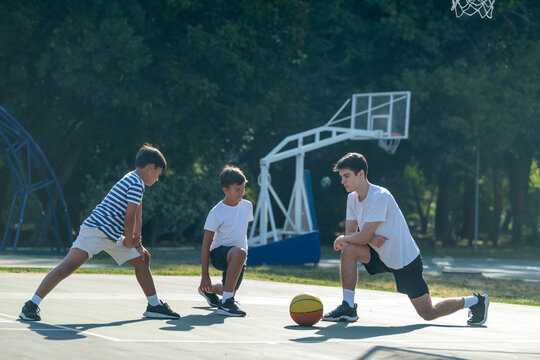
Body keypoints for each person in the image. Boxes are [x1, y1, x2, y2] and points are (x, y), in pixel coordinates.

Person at [322, 152, 489, 326]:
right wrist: (367, 238)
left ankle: (477, 302)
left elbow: (356, 236)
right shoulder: (352, 198)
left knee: (428, 313)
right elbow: (353, 234)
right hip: (378, 253)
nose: (343, 181)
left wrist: (352, 237)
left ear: (361, 174)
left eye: (347, 176)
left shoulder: (379, 197)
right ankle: (348, 306)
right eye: (341, 177)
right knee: (348, 248)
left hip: (404, 260)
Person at [19, 144, 180, 321]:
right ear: (151, 167)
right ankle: (30, 306)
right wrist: (128, 242)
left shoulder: (134, 180)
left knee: (143, 260)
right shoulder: (135, 183)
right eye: (158, 173)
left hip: (112, 235)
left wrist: (137, 245)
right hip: (96, 231)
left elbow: (137, 216)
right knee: (68, 266)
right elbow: (129, 218)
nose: (157, 178)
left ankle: (154, 305)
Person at [198, 166, 253, 317]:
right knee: (229, 295)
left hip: (239, 258)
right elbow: (206, 244)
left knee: (227, 289)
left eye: (243, 188)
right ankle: (226, 305)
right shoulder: (216, 212)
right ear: (225, 190)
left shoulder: (247, 206)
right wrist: (205, 275)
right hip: (219, 254)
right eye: (237, 189)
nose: (241, 192)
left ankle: (207, 290)